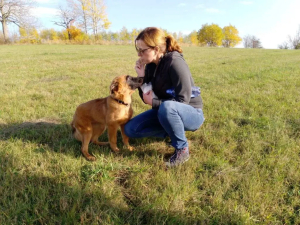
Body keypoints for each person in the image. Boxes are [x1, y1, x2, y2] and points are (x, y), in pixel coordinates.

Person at [124, 27, 204, 167]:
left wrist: (155, 103)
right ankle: (171, 131)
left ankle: (182, 148)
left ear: (156, 49)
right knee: (130, 129)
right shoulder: (150, 66)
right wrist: (141, 77)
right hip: (165, 110)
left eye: (142, 50)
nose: (139, 54)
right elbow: (146, 98)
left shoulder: (175, 62)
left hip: (191, 112)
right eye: (138, 50)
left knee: (167, 108)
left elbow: (182, 100)